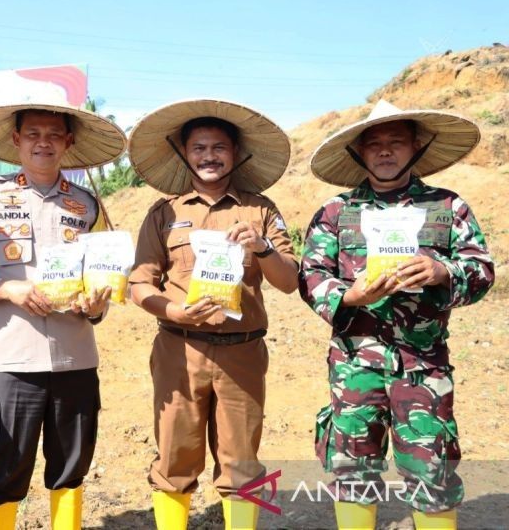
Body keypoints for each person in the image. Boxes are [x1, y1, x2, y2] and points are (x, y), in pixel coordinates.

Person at [299, 100, 494, 530]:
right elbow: (311, 274)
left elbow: (482, 269)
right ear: (359, 153)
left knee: (432, 470)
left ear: (416, 147)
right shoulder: (337, 212)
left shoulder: (447, 207)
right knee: (352, 470)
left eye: (396, 142)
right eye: (374, 145)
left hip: (422, 365)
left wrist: (443, 270)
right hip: (354, 364)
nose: (385, 151)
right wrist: (349, 295)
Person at [0, 103, 126, 530]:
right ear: (16, 141)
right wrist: (8, 288)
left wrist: (97, 305)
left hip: (76, 356)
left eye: (53, 134)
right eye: (32, 134)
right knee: (9, 465)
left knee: (71, 466)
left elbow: (104, 276)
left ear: (68, 142)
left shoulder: (86, 205)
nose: (42, 142)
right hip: (15, 358)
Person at [127, 99, 298, 530]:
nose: (209, 156)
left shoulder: (260, 210)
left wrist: (262, 247)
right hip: (178, 351)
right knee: (173, 457)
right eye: (198, 147)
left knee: (241, 460)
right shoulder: (165, 212)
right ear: (185, 154)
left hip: (242, 353)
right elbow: (139, 283)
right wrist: (174, 310)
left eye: (219, 147)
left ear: (236, 154)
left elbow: (290, 280)